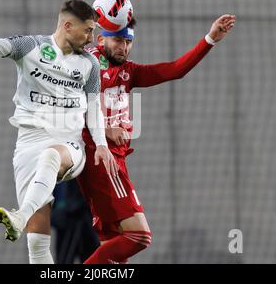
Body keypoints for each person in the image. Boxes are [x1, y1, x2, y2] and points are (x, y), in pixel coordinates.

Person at [0, 0, 118, 264]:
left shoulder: (90, 65)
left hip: (68, 145)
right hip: (28, 144)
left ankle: (20, 215)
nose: (92, 38)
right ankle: (26, 217)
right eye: (87, 30)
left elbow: (94, 109)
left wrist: (101, 145)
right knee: (38, 248)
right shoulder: (30, 47)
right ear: (67, 25)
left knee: (51, 156)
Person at [77, 14, 236, 264]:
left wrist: (210, 39)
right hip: (102, 159)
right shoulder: (91, 63)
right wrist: (106, 130)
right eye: (118, 40)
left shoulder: (128, 71)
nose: (124, 47)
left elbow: (174, 70)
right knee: (139, 236)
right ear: (101, 39)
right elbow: (69, 105)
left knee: (115, 256)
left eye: (128, 41)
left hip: (114, 160)